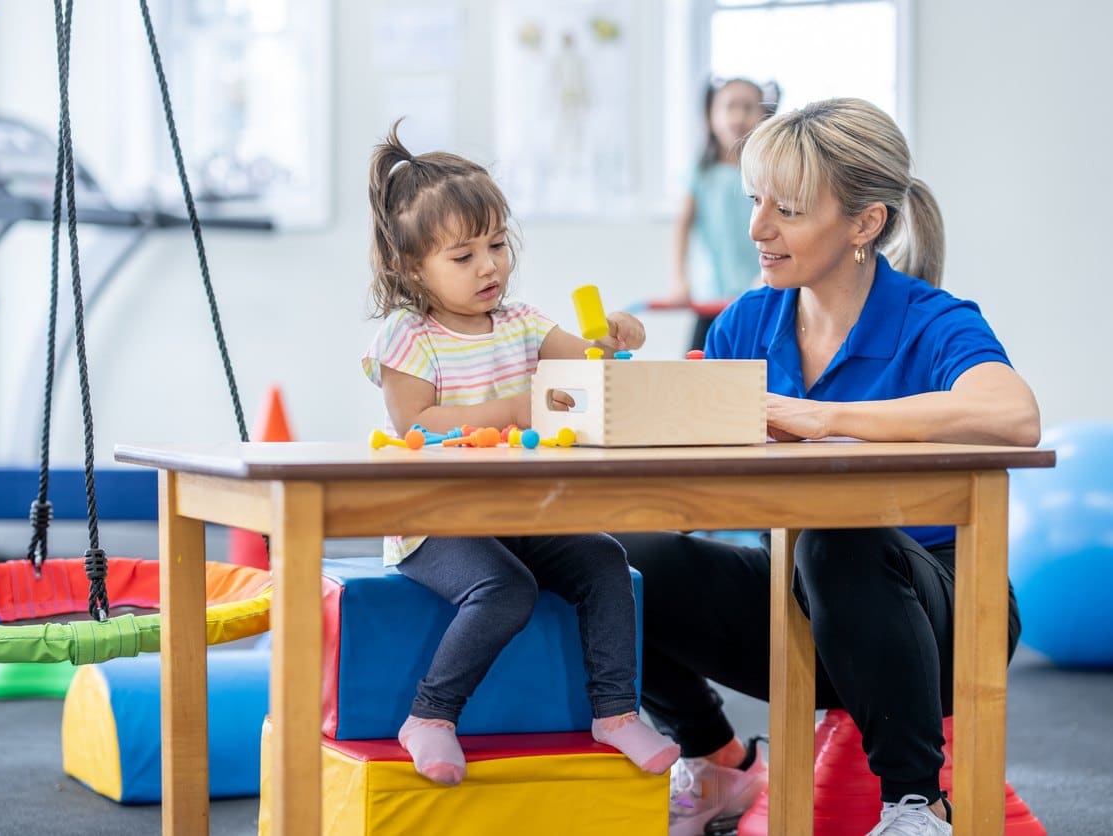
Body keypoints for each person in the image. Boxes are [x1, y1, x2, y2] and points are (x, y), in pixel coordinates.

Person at [617, 98, 1040, 836]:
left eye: (786, 210)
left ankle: (917, 804)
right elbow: (706, 481)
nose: (757, 230)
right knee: (618, 561)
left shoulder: (933, 319)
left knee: (838, 536)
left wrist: (822, 418)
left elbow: (1014, 415)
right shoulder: (746, 321)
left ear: (864, 223)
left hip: (942, 615)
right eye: (755, 203)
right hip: (799, 602)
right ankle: (718, 762)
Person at [360, 123, 678, 787]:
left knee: (603, 559)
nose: (489, 266)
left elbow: (595, 367)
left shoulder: (525, 323)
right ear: (411, 267)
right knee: (506, 589)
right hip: (434, 519)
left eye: (498, 245)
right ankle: (430, 715)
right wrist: (506, 412)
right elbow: (414, 421)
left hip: (516, 512)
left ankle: (616, 712)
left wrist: (618, 337)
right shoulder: (409, 336)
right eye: (463, 255)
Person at [670, 76, 779, 350]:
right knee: (696, 370)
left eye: (748, 107)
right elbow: (682, 226)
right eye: (729, 107)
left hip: (760, 294)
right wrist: (680, 280)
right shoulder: (701, 172)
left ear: (764, 116)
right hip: (711, 299)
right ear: (711, 115)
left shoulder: (767, 173)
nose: (738, 116)